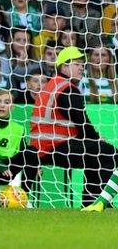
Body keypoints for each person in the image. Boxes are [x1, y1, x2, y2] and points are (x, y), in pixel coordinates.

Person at [30, 46, 118, 209]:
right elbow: (82, 123)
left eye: (82, 65)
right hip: (54, 146)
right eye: (77, 64)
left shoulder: (53, 85)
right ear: (64, 66)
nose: (81, 68)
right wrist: (98, 139)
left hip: (43, 147)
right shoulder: (67, 88)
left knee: (95, 154)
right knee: (109, 153)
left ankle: (91, 202)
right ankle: (97, 202)